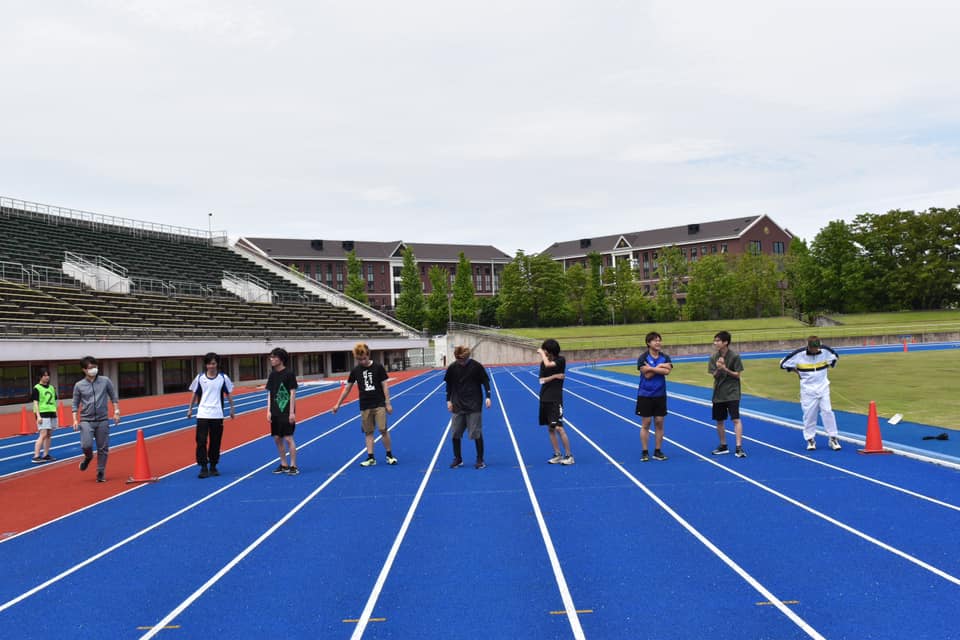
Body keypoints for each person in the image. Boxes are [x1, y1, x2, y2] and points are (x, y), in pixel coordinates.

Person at [333, 342, 397, 467]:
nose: (362, 361)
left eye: (364, 358)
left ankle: (389, 455)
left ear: (368, 355)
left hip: (379, 403)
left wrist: (388, 403)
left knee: (383, 429)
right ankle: (371, 457)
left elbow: (385, 386)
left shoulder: (378, 367)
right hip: (365, 405)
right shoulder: (355, 371)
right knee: (368, 432)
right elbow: (347, 388)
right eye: (359, 359)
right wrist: (338, 404)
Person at [780, 336, 842, 451]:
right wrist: (796, 371)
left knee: (827, 411)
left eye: (817, 348)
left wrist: (826, 368)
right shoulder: (798, 354)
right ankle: (810, 439)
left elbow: (835, 357)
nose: (815, 350)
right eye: (813, 348)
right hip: (807, 390)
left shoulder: (825, 351)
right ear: (808, 346)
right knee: (809, 415)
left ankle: (833, 438)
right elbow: (783, 364)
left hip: (823, 387)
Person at [186, 352, 236, 478]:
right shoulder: (200, 378)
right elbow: (195, 394)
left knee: (215, 441)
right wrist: (190, 409)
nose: (211, 366)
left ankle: (213, 465)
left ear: (217, 364)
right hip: (202, 413)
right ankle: (203, 466)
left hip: (217, 414)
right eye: (209, 364)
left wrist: (232, 408)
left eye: (213, 363)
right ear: (206, 365)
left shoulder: (223, 378)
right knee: (201, 441)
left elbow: (228, 394)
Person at [71, 356, 120, 483]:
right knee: (86, 444)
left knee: (103, 448)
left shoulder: (105, 381)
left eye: (95, 367)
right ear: (84, 370)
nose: (94, 369)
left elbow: (113, 397)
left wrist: (116, 412)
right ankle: (88, 457)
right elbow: (75, 404)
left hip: (102, 419)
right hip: (86, 420)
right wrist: (75, 419)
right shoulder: (79, 385)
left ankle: (100, 472)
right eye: (90, 368)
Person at [444, 345, 492, 469]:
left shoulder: (476, 366)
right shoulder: (452, 368)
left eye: (463, 360)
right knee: (455, 433)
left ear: (467, 357)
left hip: (474, 404)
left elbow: (485, 381)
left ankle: (480, 459)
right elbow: (449, 385)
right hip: (458, 404)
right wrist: (448, 400)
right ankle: (458, 458)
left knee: (476, 433)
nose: (461, 362)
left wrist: (488, 396)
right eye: (459, 360)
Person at [708, 331, 746, 458]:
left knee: (735, 419)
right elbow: (713, 375)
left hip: (732, 392)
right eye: (715, 340)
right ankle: (723, 445)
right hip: (718, 393)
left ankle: (739, 447)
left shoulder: (735, 356)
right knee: (719, 420)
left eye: (718, 340)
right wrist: (719, 369)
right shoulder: (714, 357)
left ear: (725, 342)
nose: (715, 343)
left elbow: (737, 375)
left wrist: (725, 369)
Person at [635, 331, 672, 462]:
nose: (658, 342)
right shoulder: (643, 358)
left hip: (660, 394)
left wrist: (653, 368)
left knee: (659, 422)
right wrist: (660, 367)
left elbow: (667, 372)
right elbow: (647, 375)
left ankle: (657, 451)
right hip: (645, 394)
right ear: (648, 343)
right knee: (646, 423)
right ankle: (645, 451)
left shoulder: (665, 357)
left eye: (659, 340)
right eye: (655, 340)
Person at [538, 339, 573, 465]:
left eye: (545, 350)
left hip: (555, 399)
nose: (543, 352)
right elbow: (541, 380)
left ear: (550, 351)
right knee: (550, 428)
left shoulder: (560, 360)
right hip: (544, 398)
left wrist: (541, 354)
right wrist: (554, 376)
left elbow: (549, 365)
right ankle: (557, 454)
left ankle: (569, 456)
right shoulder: (543, 363)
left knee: (559, 427)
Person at [266, 347, 299, 475]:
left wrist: (291, 412)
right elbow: (270, 393)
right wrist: (268, 411)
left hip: (286, 411)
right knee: (277, 438)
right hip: (275, 412)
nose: (271, 359)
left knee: (288, 438)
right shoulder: (272, 375)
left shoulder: (289, 374)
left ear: (281, 359)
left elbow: (292, 392)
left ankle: (293, 465)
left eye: (274, 357)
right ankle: (283, 464)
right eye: (271, 357)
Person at [31, 369, 58, 463]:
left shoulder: (51, 387)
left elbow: (54, 400)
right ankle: (36, 456)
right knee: (43, 434)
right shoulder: (37, 388)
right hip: (42, 413)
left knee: (49, 434)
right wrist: (38, 416)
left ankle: (46, 454)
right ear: (40, 377)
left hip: (52, 413)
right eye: (45, 375)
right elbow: (35, 403)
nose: (47, 377)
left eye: (48, 375)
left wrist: (55, 412)